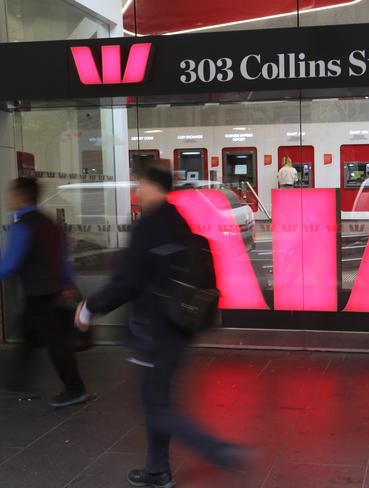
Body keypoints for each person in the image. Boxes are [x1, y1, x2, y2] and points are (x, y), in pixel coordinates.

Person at [75, 165, 244, 488]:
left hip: (153, 329)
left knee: (153, 407)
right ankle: (157, 471)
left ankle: (217, 450)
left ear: (154, 186)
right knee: (157, 402)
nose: (137, 192)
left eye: (140, 185)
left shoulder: (150, 225)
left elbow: (128, 280)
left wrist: (89, 308)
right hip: (179, 325)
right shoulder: (177, 219)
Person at [0, 177, 88, 408]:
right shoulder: (49, 223)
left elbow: (9, 263)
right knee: (29, 336)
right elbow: (63, 258)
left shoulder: (23, 225)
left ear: (21, 196)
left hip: (39, 293)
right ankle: (16, 383)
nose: (9, 198)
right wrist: (67, 284)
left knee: (55, 343)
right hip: (51, 290)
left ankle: (75, 388)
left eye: (12, 193)